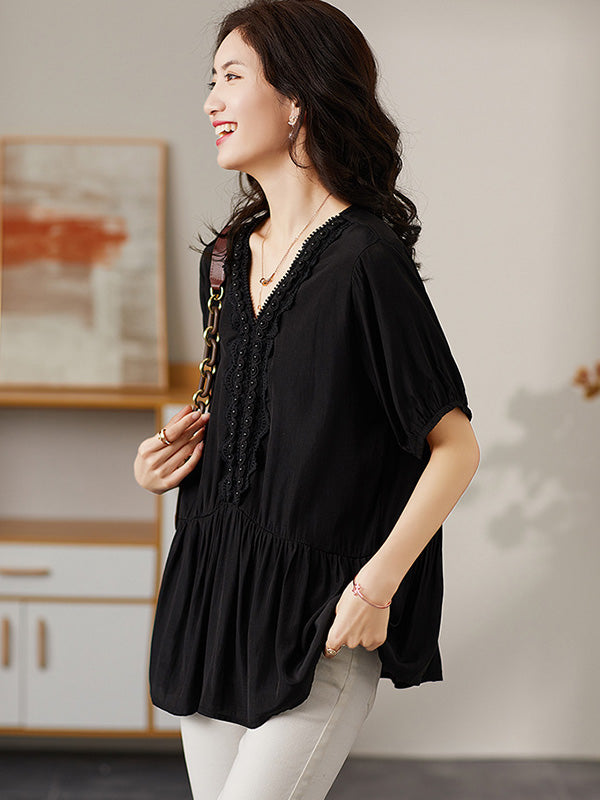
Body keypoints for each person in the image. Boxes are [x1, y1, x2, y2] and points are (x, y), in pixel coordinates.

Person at [134, 1, 480, 798]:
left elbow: (455, 448)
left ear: (296, 98)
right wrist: (164, 463)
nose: (211, 101)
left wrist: (374, 588)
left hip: (319, 615)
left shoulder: (366, 260)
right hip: (211, 597)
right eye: (211, 80)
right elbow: (255, 420)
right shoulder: (226, 258)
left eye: (231, 77)